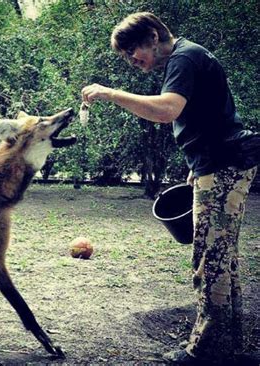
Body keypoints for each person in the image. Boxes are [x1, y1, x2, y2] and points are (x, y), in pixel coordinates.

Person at [81, 12, 258, 365]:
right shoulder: (191, 55)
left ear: (152, 35)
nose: (133, 60)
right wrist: (198, 165)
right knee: (222, 257)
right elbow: (211, 114)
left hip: (224, 165)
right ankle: (231, 349)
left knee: (210, 259)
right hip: (221, 162)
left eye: (133, 50)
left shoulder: (182, 57)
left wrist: (111, 93)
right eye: (127, 56)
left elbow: (167, 110)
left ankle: (207, 352)